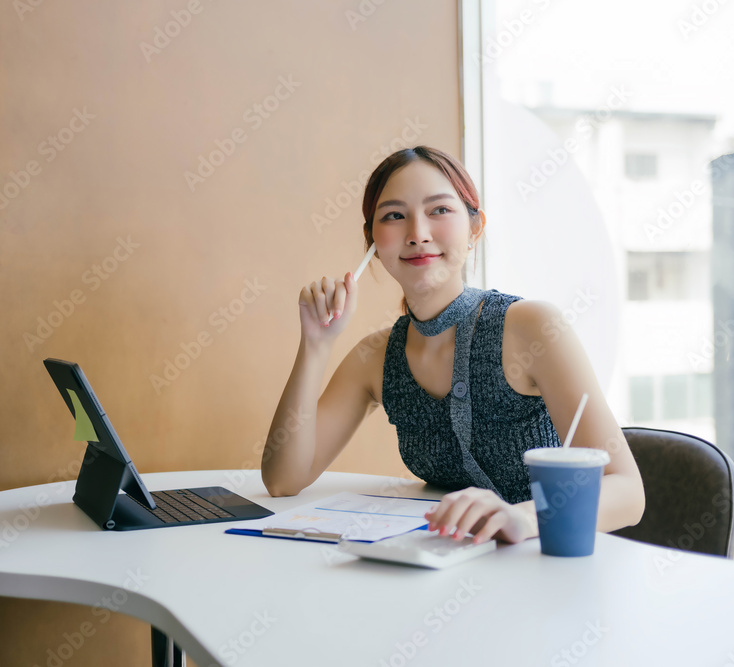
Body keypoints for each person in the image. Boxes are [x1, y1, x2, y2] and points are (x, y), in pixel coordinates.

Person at [261, 145, 645, 546]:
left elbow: (628, 492)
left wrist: (521, 519)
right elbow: (283, 479)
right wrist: (317, 344)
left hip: (549, 567)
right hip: (447, 572)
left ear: (475, 228)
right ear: (372, 240)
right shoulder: (374, 357)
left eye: (439, 210)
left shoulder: (534, 327)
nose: (418, 234)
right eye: (394, 216)